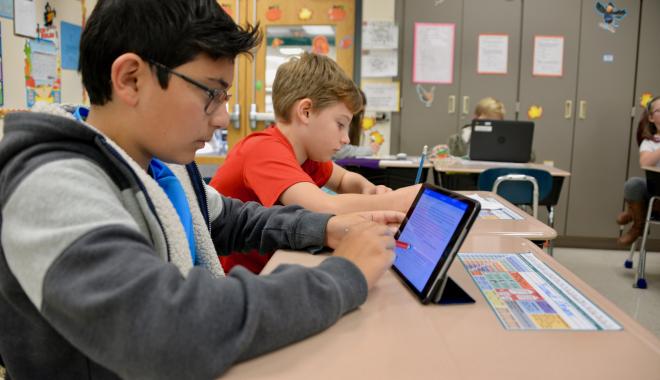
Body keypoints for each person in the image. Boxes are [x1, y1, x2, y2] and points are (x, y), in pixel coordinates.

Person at [0, 1, 405, 378]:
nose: (223, 119)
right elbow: (163, 329)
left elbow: (230, 217)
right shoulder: (50, 184)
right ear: (131, 79)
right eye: (212, 94)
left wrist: (326, 228)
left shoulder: (162, 166)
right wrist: (343, 275)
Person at [210, 52, 420, 274]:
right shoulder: (263, 150)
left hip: (273, 264)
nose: (346, 138)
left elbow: (344, 179)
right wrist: (398, 199)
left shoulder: (307, 156)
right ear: (306, 112)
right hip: (236, 280)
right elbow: (322, 208)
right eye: (340, 124)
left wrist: (368, 189)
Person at [617, 96, 660, 245]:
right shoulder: (649, 143)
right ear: (651, 118)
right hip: (655, 194)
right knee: (633, 184)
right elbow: (645, 162)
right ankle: (638, 226)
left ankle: (633, 213)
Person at [333, 89, 381, 159]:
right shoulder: (336, 121)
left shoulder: (354, 125)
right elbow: (339, 151)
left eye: (360, 112)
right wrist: (369, 150)